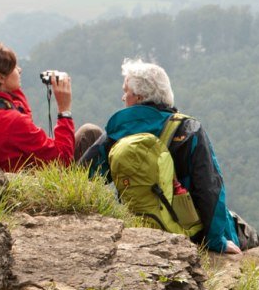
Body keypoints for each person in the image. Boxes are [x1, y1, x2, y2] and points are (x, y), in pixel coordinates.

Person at [88, 59, 245, 254]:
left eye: (125, 91)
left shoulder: (117, 133)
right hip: (189, 233)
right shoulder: (189, 130)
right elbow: (209, 187)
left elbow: (84, 174)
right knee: (246, 232)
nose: (123, 97)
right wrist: (217, 241)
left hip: (136, 229)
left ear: (137, 97)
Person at [0, 42, 82, 171]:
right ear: (1, 78)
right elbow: (63, 160)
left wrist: (13, 90)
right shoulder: (12, 122)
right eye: (13, 67)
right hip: (32, 185)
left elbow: (23, 119)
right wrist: (64, 110)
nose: (19, 70)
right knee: (90, 132)